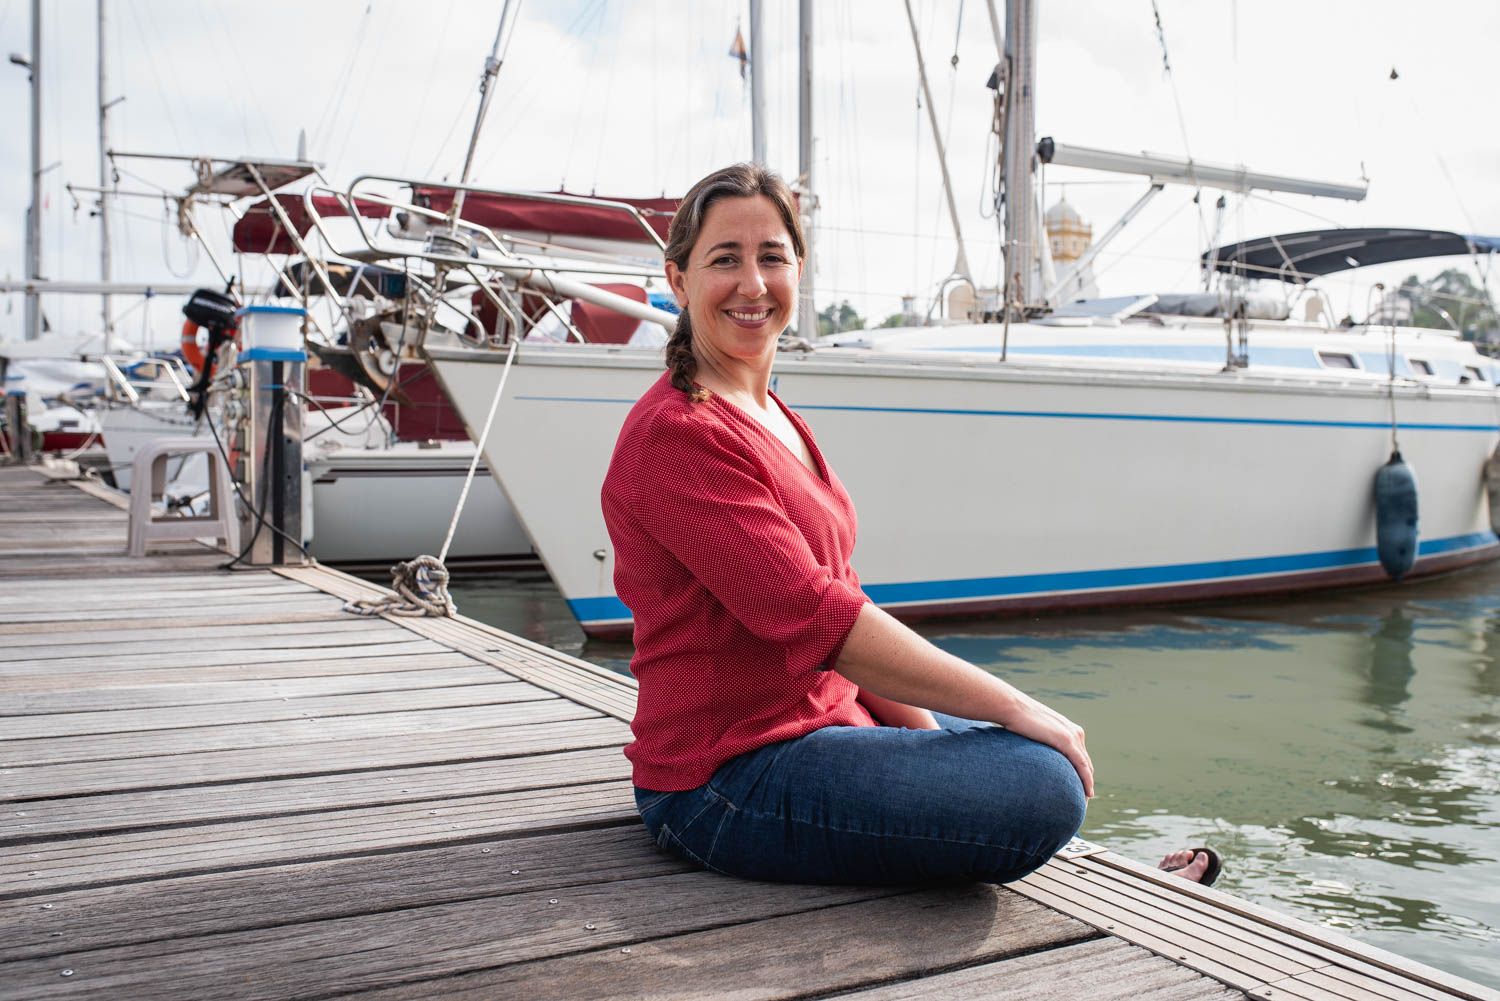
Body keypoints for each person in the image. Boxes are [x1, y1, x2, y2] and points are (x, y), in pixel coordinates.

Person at [600, 162, 1219, 888]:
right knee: (1041, 781)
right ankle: (1057, 853)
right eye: (724, 260)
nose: (753, 283)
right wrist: (1011, 708)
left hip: (823, 724)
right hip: (723, 778)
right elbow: (819, 618)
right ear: (678, 280)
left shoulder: (771, 412)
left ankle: (1088, 866)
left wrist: (921, 743)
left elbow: (840, 598)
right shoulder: (676, 435)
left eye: (772, 256)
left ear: (799, 268)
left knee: (1029, 755)